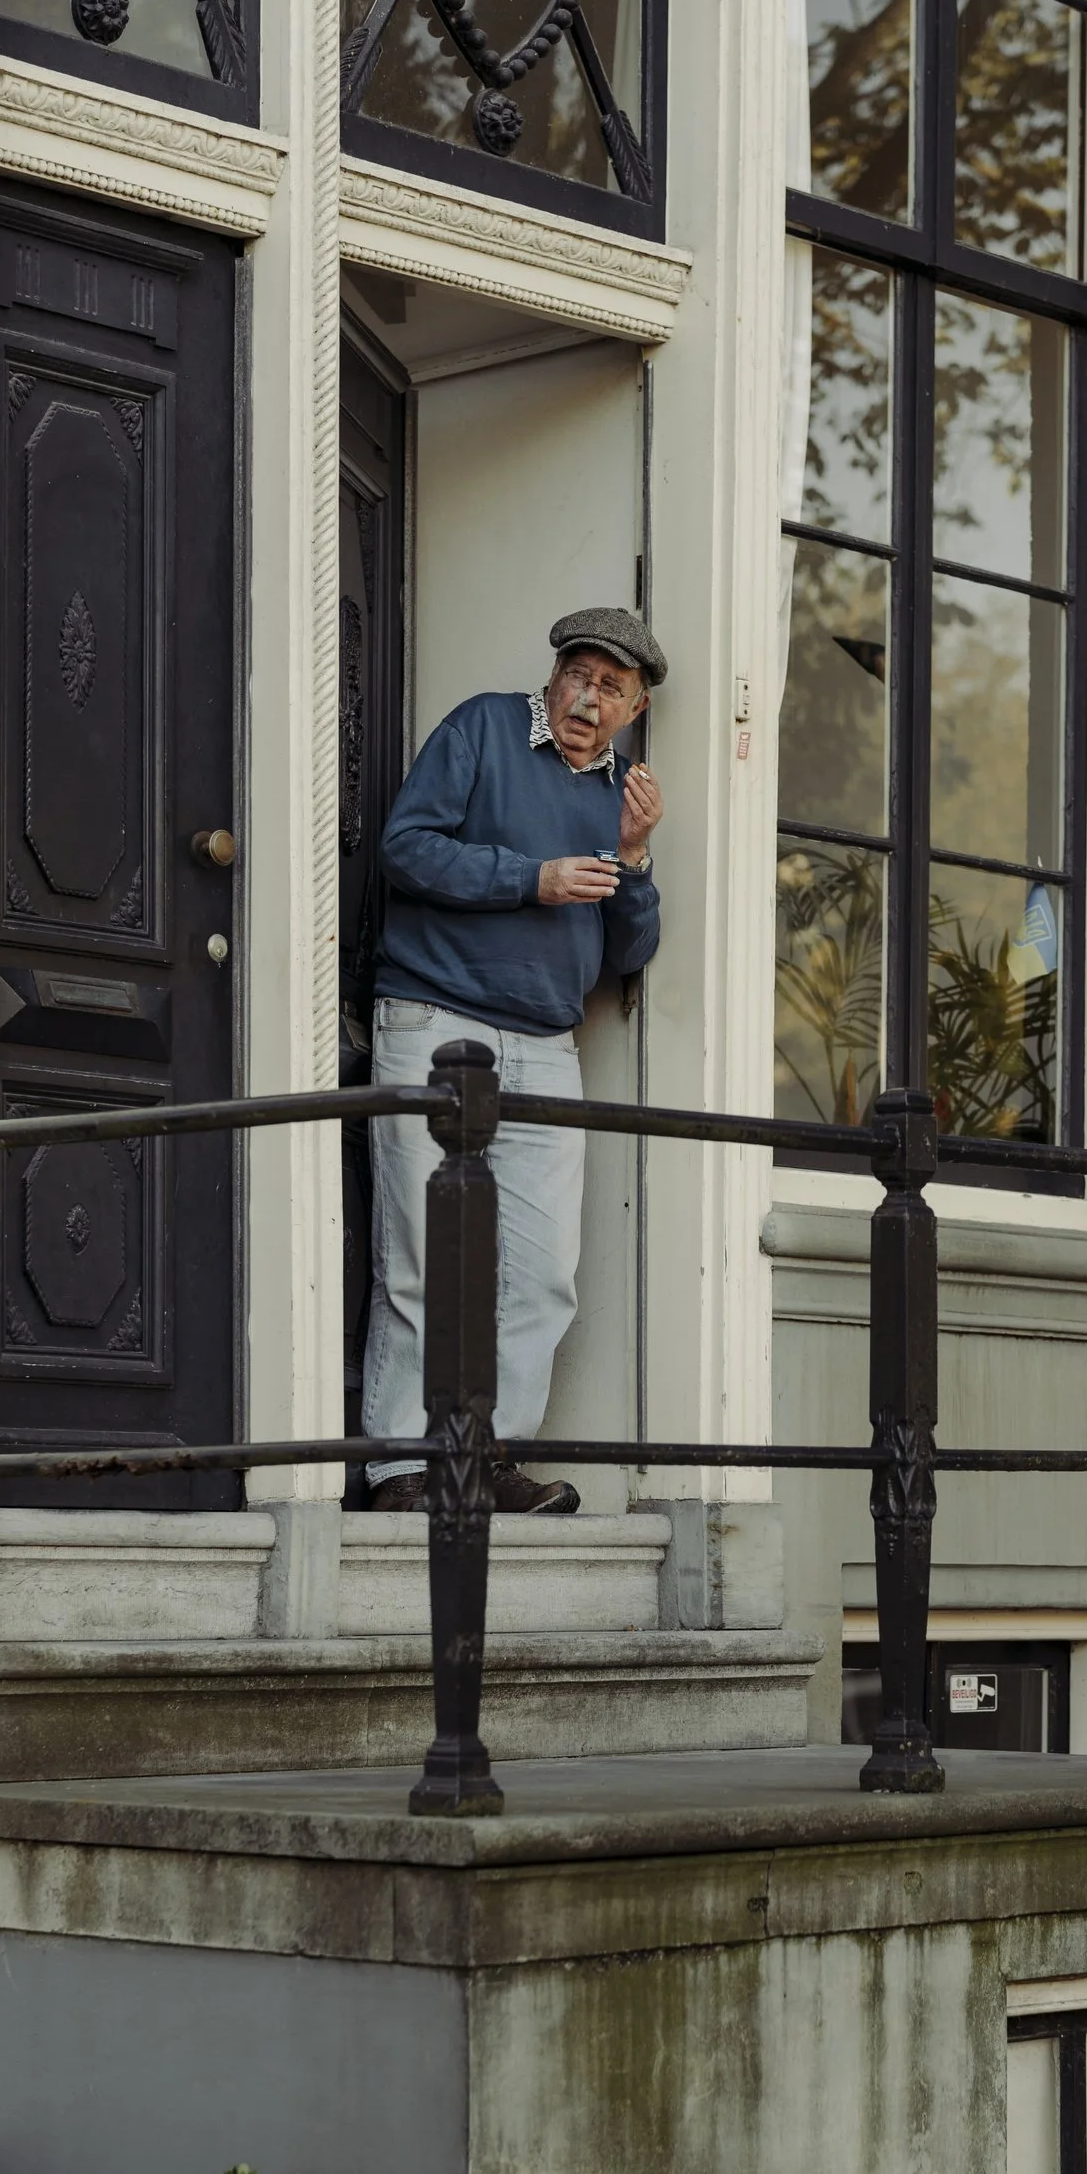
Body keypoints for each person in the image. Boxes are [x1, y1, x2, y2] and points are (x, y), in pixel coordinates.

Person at [362, 609, 666, 1516]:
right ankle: (397, 1470)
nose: (588, 696)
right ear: (553, 677)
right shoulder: (483, 727)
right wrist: (531, 879)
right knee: (421, 1251)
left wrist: (637, 857)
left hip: (547, 1044)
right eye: (578, 673)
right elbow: (405, 848)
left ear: (634, 705)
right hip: (435, 1019)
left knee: (542, 1272)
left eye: (611, 687)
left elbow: (629, 952)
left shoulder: (618, 794)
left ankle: (489, 1460)